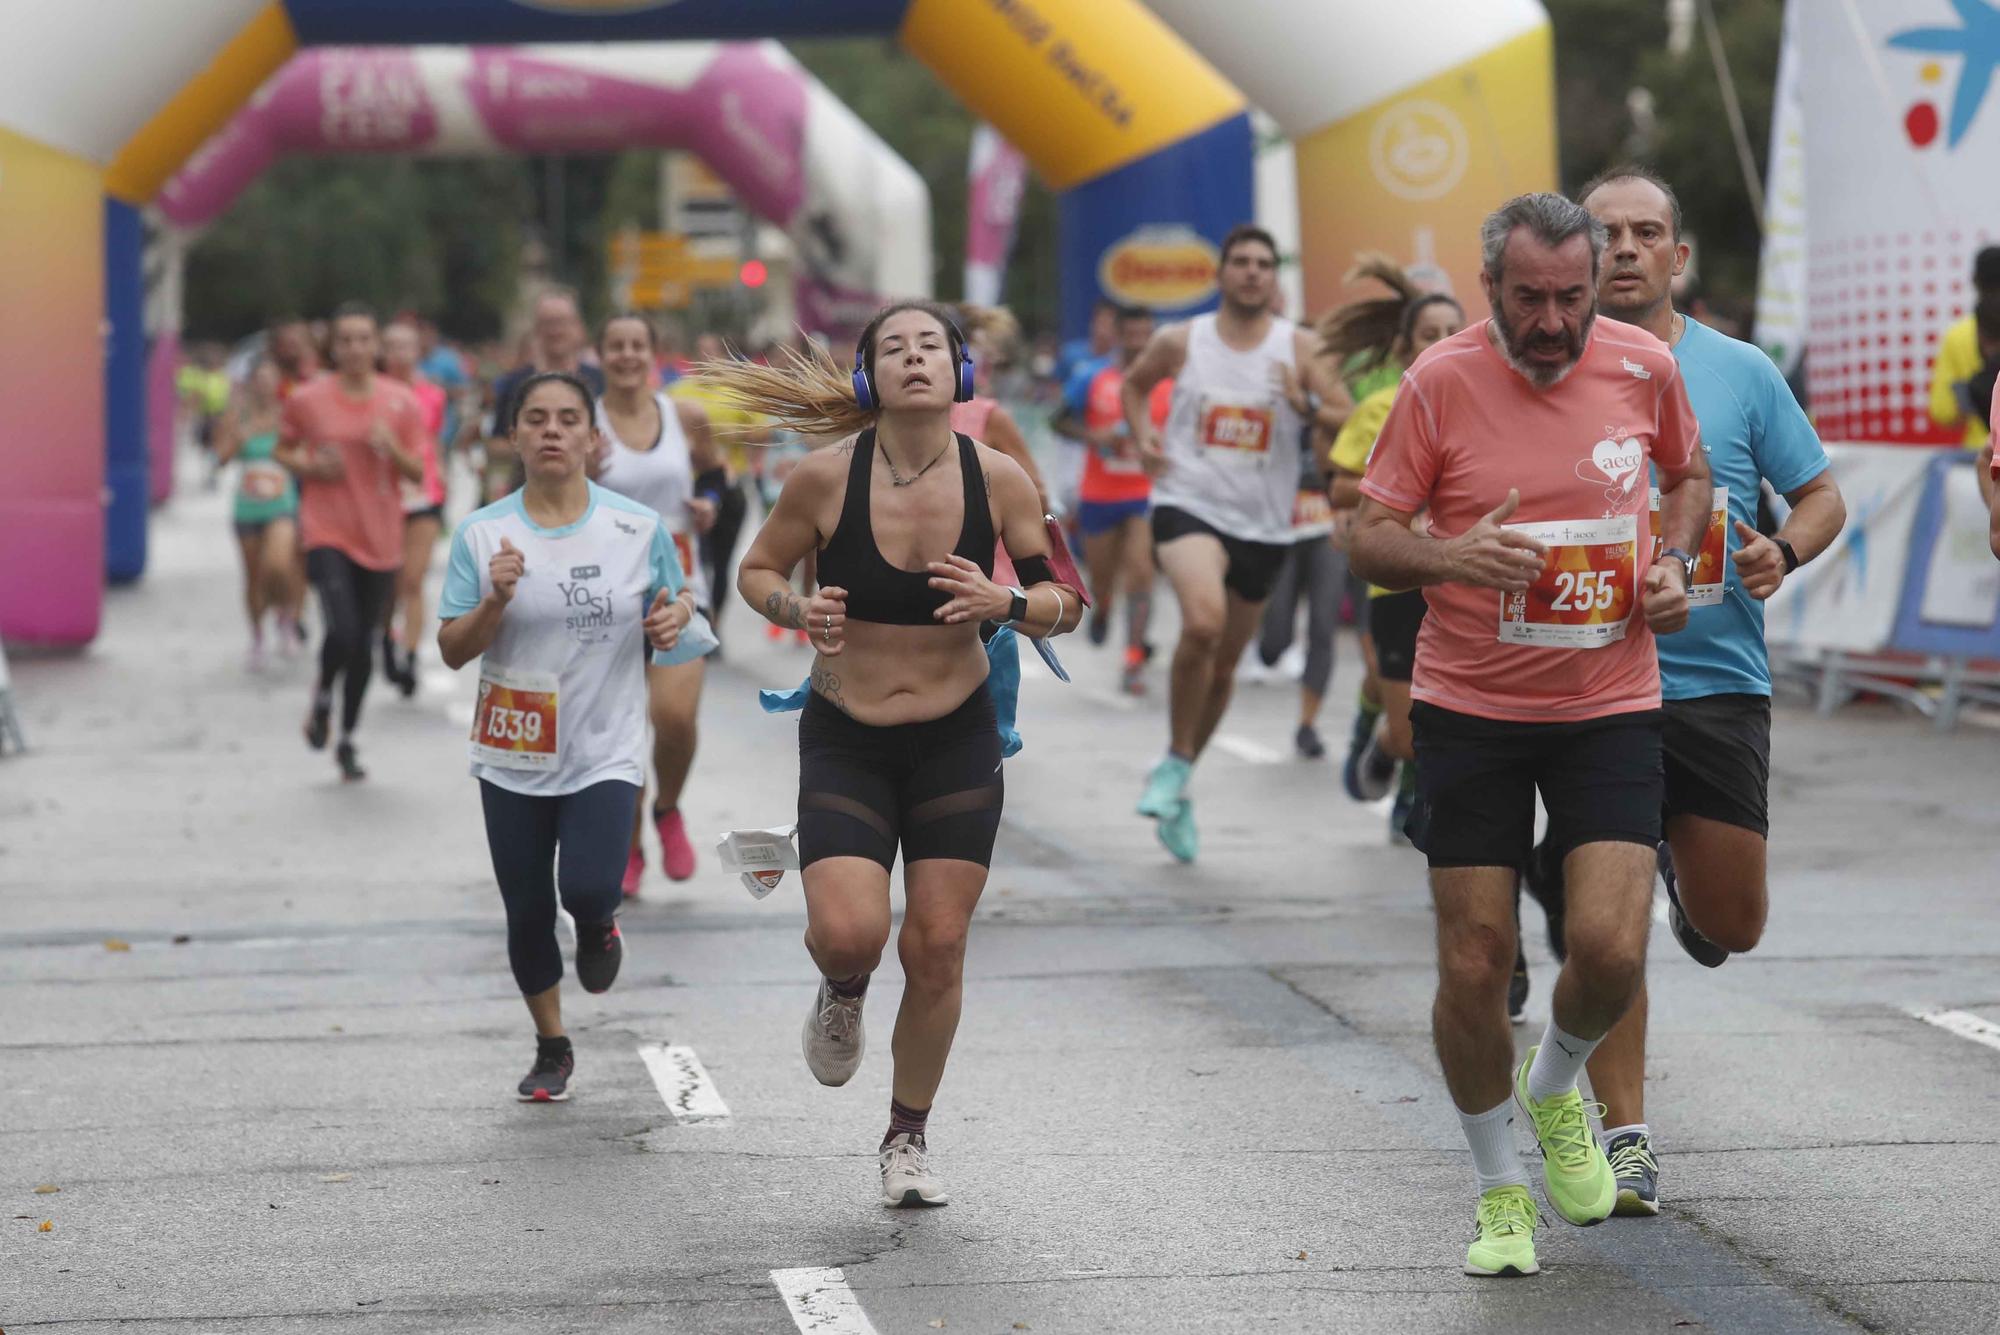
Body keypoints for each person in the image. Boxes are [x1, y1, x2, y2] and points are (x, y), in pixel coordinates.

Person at [1347, 192, 1712, 1278]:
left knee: (1607, 950)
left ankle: (1552, 1084)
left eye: (1569, 297)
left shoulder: (1643, 365)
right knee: (1474, 961)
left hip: (1607, 700)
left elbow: (1686, 477)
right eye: (1527, 301)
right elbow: (1369, 537)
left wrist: (1672, 565)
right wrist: (1451, 559)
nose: (1550, 322)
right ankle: (1498, 1191)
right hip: (1471, 709)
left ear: (1593, 281)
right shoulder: (1438, 381)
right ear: (1489, 288)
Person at [1507, 168, 1847, 1220]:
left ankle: (1671, 884)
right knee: (1608, 933)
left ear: (1676, 256)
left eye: (1644, 232)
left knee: (1730, 920)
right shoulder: (1539, 373)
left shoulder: (1738, 372)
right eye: (1602, 232)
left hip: (1713, 680)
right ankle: (1624, 1137)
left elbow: (1822, 494)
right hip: (1591, 685)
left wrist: (1779, 555)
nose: (1622, 249)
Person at [720, 300, 1080, 1207]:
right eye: (895, 348)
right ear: (867, 375)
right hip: (847, 733)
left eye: (932, 346)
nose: (915, 359)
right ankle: (842, 989)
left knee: (939, 944)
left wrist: (1006, 604)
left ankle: (906, 1136)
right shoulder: (821, 478)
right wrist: (794, 611)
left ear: (959, 370)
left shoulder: (998, 477)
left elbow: (1064, 597)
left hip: (956, 735)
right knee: (852, 932)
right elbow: (755, 571)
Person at [437, 372, 711, 1102]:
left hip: (604, 746)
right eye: (535, 418)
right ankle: (551, 1045)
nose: (552, 430)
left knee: (588, 885)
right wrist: (494, 598)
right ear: (515, 436)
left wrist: (674, 618)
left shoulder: (636, 528)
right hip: (513, 747)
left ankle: (598, 924)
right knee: (526, 909)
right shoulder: (482, 534)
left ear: (595, 439)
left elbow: (682, 603)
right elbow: (452, 649)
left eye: (567, 419)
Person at [1122, 223, 1350, 861]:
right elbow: (1138, 385)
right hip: (1188, 499)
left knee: (1223, 663)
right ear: (1222, 274)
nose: (1252, 272)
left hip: (1265, 521)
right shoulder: (1181, 339)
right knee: (1202, 623)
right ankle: (1173, 758)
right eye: (1241, 261)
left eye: (1263, 263)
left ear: (1274, 278)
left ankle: (1180, 773)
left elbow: (1350, 413)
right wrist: (1143, 435)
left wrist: (1304, 403)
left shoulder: (1299, 347)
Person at [1327, 282, 1469, 832]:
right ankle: (1381, 738)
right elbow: (1340, 488)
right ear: (1406, 346)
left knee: (1445, 713)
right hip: (1398, 578)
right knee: (1409, 728)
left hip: (1464, 576)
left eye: (1451, 332)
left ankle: (1413, 796)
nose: (1440, 342)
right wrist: (1405, 490)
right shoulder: (1381, 408)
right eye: (1428, 334)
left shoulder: (1492, 404)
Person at [591, 313, 725, 894]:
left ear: (652, 352)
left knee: (674, 719)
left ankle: (667, 809)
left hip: (676, 585)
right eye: (614, 345)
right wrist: (581, 472)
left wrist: (710, 506)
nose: (625, 355)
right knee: (617, 732)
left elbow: (717, 476)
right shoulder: (582, 423)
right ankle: (628, 845)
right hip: (600, 591)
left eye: (635, 345)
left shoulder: (684, 416)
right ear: (600, 354)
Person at [275, 303, 429, 781]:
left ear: (376, 346)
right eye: (346, 340)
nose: (356, 348)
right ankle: (323, 697)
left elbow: (420, 471)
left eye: (365, 339)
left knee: (363, 644)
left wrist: (393, 448)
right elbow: (284, 447)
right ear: (333, 348)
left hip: (380, 534)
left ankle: (347, 735)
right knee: (341, 629)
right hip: (327, 529)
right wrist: (308, 467)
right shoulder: (307, 398)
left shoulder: (400, 400)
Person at [1053, 305, 1168, 695]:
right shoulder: (1093, 377)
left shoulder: (1168, 383)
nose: (1138, 343)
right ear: (1117, 335)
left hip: (1144, 494)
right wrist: (1095, 438)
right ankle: (1102, 608)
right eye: (1131, 334)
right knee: (1103, 579)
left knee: (1140, 573)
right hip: (1099, 495)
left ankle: (1134, 660)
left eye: (1145, 334)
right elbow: (1059, 419)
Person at [1253, 340, 1350, 758]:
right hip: (1279, 522)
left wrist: (1306, 403)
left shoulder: (1331, 400)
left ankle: (1307, 724)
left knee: (1323, 627)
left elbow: (1351, 420)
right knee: (1275, 638)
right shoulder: (1267, 396)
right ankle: (1267, 646)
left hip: (1325, 523)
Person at [668, 333, 766, 639]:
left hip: (730, 484)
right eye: (701, 352)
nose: (707, 359)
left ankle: (715, 623)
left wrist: (727, 432)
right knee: (698, 559)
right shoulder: (677, 392)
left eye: (713, 353)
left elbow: (763, 432)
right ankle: (692, 617)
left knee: (723, 563)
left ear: (723, 357)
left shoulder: (739, 392)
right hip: (690, 489)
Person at [215, 357, 303, 666]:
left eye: (271, 378)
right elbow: (220, 460)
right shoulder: (236, 417)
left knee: (279, 566)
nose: (265, 384)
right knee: (253, 577)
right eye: (260, 378)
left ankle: (286, 616)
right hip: (247, 506)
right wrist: (238, 440)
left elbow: (304, 453)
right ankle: (257, 636)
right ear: (252, 383)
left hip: (282, 503)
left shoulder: (289, 415)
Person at [381, 319, 449, 695]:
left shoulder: (432, 395)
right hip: (383, 496)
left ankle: (408, 655)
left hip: (424, 492)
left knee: (413, 578)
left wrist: (441, 471)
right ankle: (387, 640)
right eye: (391, 346)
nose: (399, 354)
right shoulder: (373, 393)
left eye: (406, 346)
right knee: (390, 580)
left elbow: (433, 439)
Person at [487, 288, 605, 498]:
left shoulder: (600, 380)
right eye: (548, 323)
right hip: (529, 495)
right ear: (536, 329)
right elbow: (496, 442)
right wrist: (536, 443)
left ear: (577, 327)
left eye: (562, 322)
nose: (555, 330)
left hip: (593, 495)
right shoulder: (514, 381)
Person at [1927, 245, 2000, 454]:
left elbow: (1942, 409)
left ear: (1975, 280)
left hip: (1980, 453)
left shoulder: (1958, 336)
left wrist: (1972, 396)